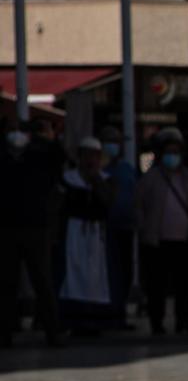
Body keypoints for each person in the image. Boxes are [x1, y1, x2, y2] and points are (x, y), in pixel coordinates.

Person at [134, 128, 188, 335]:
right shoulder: (150, 179)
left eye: (176, 152)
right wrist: (143, 230)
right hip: (157, 241)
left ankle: (183, 320)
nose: (172, 157)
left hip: (185, 240)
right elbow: (139, 206)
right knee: (156, 285)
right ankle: (156, 321)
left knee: (184, 285)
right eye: (169, 152)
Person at [0, 119, 67, 347]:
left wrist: (42, 137)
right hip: (7, 228)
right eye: (12, 131)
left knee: (42, 280)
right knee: (7, 283)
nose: (16, 136)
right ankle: (5, 332)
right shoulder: (3, 158)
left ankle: (52, 330)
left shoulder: (39, 156)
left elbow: (59, 158)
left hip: (36, 227)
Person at [56, 137, 117, 331]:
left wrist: (96, 180)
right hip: (74, 231)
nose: (91, 160)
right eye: (87, 155)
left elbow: (108, 202)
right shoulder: (68, 179)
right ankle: (72, 316)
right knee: (74, 272)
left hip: (97, 233)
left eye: (95, 156)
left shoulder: (106, 180)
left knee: (96, 274)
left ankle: (96, 317)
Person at [99, 125, 139, 326]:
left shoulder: (126, 169)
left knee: (124, 272)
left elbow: (135, 195)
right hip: (103, 230)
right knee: (107, 272)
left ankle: (119, 312)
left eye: (117, 141)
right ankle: (107, 313)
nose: (114, 146)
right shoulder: (97, 169)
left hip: (126, 227)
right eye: (110, 141)